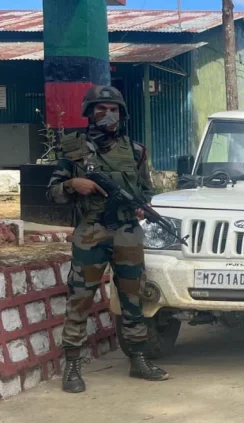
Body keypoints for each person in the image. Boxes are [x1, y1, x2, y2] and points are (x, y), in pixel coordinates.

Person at [45, 85, 170, 393]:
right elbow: (52, 193)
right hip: (91, 231)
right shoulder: (72, 149)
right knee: (80, 297)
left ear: (122, 114)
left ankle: (138, 358)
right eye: (101, 109)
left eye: (113, 109)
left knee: (133, 296)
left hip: (127, 232)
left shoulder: (136, 151)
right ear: (89, 113)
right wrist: (73, 184)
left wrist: (142, 207)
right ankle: (72, 365)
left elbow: (145, 190)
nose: (108, 114)